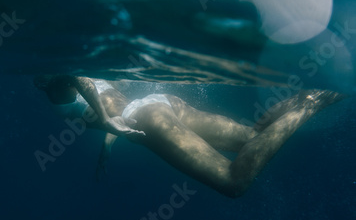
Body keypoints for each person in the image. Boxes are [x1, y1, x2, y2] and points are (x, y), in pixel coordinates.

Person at [34, 75, 344, 198]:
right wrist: (109, 136)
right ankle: (308, 95)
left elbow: (80, 80)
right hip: (161, 104)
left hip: (149, 118)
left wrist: (106, 123)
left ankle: (310, 104)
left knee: (233, 181)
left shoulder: (54, 91)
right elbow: (111, 106)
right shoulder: (86, 76)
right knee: (250, 137)